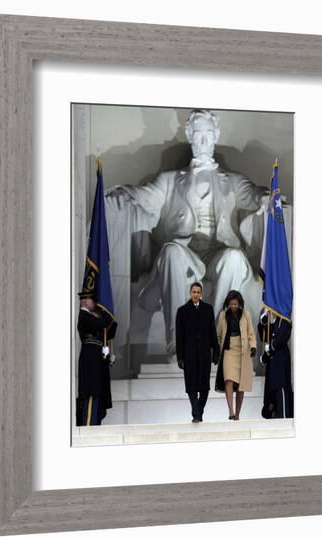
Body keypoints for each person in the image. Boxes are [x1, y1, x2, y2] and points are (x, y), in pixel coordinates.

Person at [105, 109, 269, 356]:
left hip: (218, 254)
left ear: (216, 136)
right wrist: (125, 192)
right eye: (198, 134)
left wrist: (267, 198)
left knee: (235, 257)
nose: (203, 141)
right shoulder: (170, 179)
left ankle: (215, 339)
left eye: (208, 135)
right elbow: (146, 196)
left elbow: (254, 193)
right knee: (171, 251)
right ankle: (177, 343)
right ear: (190, 136)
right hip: (185, 254)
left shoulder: (232, 180)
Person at [175, 282, 220, 422]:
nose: (195, 294)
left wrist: (216, 352)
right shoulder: (182, 311)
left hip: (205, 355)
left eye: (198, 292)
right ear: (190, 293)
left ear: (201, 293)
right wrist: (180, 357)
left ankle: (198, 412)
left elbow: (213, 332)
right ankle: (197, 414)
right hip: (189, 355)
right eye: (193, 292)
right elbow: (179, 336)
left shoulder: (208, 309)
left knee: (205, 387)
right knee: (191, 386)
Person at [76, 291, 118, 426]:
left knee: (97, 396)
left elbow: (108, 329)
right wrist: (104, 309)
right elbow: (102, 323)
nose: (95, 304)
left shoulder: (90, 317)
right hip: (90, 362)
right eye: (94, 302)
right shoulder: (84, 316)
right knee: (90, 396)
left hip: (96, 362)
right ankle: (89, 425)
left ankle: (93, 423)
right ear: (87, 301)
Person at [215, 290, 256, 420]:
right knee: (228, 380)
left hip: (242, 351)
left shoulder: (245, 315)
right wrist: (216, 351)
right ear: (228, 304)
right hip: (228, 350)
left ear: (239, 304)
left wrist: (253, 346)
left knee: (241, 385)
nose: (233, 306)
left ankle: (237, 414)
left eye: (235, 304)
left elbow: (251, 333)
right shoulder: (222, 315)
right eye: (231, 304)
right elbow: (219, 336)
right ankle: (231, 411)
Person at [257, 309, 294, 419]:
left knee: (280, 386)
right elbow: (266, 336)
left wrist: (272, 347)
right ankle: (275, 414)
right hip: (272, 360)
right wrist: (264, 321)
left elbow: (281, 338)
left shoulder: (284, 319)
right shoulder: (276, 320)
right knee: (272, 388)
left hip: (280, 359)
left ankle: (283, 415)